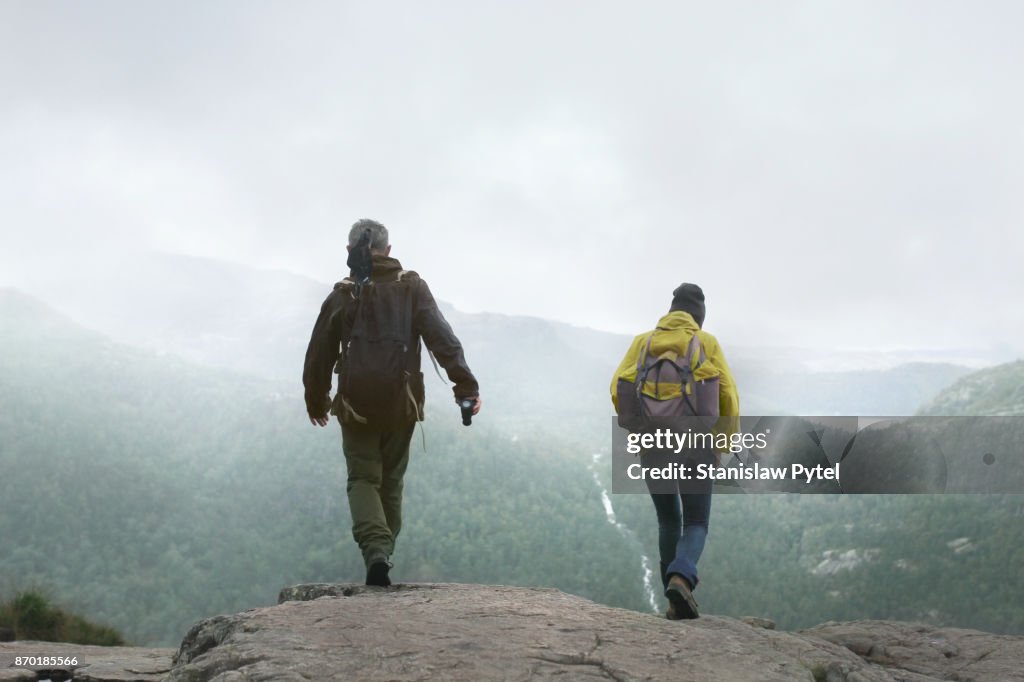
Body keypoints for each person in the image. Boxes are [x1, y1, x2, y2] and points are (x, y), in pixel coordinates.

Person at [303, 219, 481, 587]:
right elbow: (442, 339)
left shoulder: (342, 295)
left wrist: (317, 400)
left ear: (349, 250)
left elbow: (318, 355)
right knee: (391, 482)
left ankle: (376, 551)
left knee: (364, 478)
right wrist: (465, 387)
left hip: (354, 406)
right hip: (402, 404)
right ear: (388, 249)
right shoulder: (410, 288)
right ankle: (384, 553)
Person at [610, 283, 739, 619]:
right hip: (696, 445)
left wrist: (643, 426)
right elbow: (727, 398)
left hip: (653, 445)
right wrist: (720, 444)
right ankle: (681, 576)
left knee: (668, 520)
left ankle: (672, 603)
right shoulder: (706, 343)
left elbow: (617, 387)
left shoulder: (643, 342)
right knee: (696, 522)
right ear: (698, 316)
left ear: (671, 310)